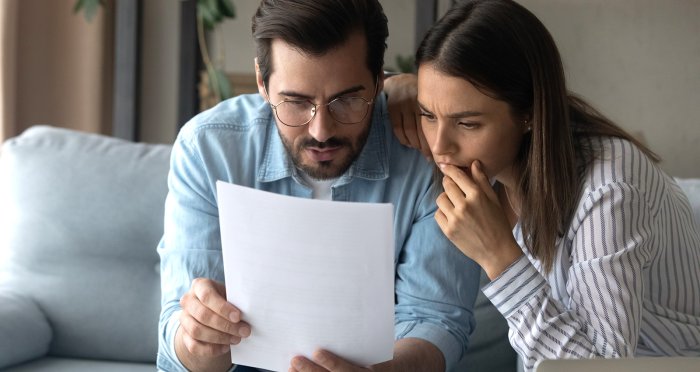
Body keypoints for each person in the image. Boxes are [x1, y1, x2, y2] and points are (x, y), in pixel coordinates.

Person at [156, 1, 481, 371]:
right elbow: (177, 342)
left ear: (379, 79)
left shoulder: (425, 152)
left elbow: (437, 320)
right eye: (296, 102)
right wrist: (198, 339)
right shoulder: (207, 149)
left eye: (346, 100)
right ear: (262, 82)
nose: (321, 131)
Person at [388, 0, 700, 370]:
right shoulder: (488, 169)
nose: (439, 146)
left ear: (529, 114)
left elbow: (603, 368)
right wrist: (391, 84)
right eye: (428, 115)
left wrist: (500, 259)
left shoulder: (610, 188)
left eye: (467, 123)